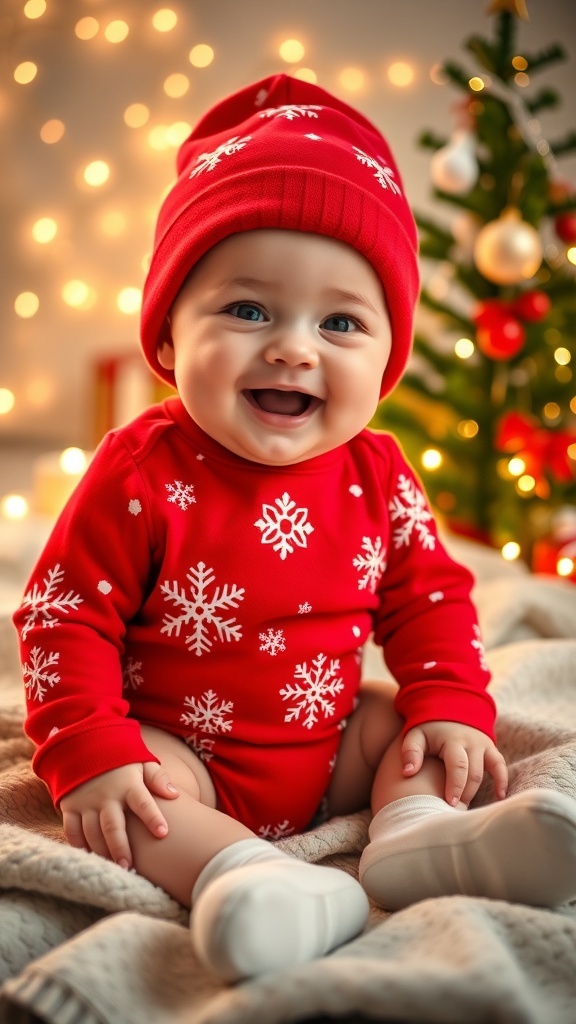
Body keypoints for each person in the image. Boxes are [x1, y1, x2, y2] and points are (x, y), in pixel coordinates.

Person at [14, 73, 576, 983]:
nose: (293, 347)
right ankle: (242, 875)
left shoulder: (377, 473)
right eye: (247, 310)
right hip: (184, 750)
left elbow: (430, 598)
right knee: (133, 795)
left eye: (341, 322)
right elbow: (63, 614)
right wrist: (89, 749)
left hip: (330, 745)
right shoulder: (140, 469)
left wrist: (450, 705)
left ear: (386, 360)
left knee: (405, 722)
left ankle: (416, 834)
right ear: (168, 338)